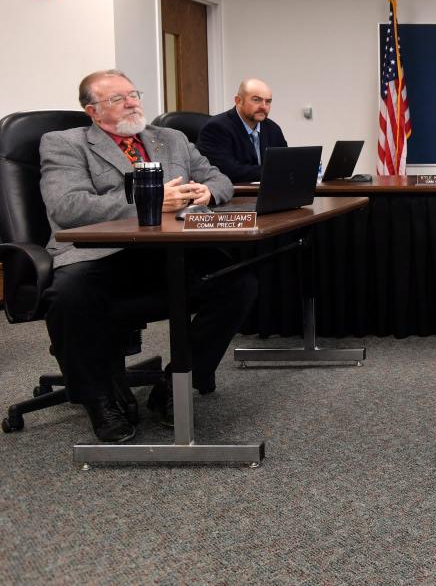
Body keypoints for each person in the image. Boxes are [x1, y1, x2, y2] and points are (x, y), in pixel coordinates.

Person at [39, 70, 255, 444]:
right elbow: (67, 207)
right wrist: (145, 199)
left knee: (238, 281)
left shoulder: (170, 138)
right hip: (99, 254)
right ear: (92, 110)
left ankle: (177, 384)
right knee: (68, 297)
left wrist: (206, 192)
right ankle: (99, 400)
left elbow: (220, 179)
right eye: (118, 99)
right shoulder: (64, 143)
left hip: (166, 252)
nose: (133, 102)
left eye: (133, 94)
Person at [197, 78, 287, 183]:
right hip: (234, 194)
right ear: (238, 101)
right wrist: (273, 171)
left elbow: (284, 163)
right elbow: (228, 171)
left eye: (268, 101)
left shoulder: (273, 129)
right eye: (256, 100)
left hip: (269, 193)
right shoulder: (216, 127)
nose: (264, 106)